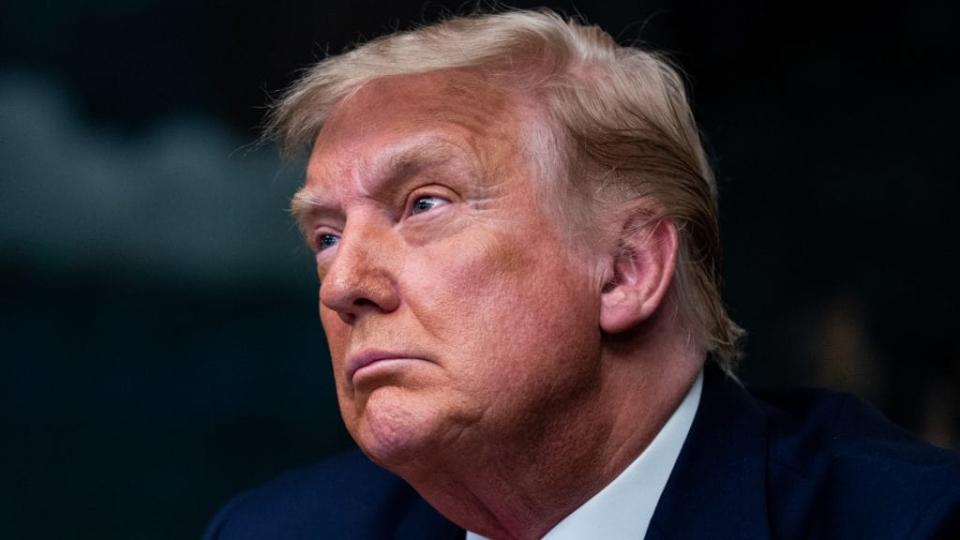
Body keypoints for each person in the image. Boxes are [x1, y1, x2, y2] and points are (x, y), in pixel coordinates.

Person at [204, 9, 960, 539]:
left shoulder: (913, 521)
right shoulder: (273, 530)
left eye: (423, 203)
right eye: (327, 236)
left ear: (628, 270)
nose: (342, 286)